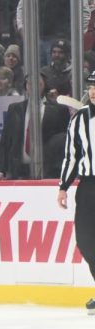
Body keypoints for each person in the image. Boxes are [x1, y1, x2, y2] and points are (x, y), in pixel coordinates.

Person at [58, 73, 95, 312]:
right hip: (89, 186)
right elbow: (72, 155)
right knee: (86, 240)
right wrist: (63, 186)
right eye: (92, 87)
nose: (93, 92)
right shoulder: (80, 118)